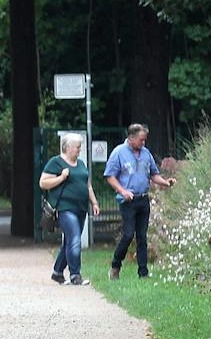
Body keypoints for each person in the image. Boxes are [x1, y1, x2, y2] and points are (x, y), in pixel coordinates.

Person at [104, 122, 175, 280]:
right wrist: (123, 191)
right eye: (141, 139)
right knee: (128, 235)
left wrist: (165, 182)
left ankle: (143, 272)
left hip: (143, 199)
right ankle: (115, 265)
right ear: (131, 138)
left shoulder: (146, 153)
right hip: (128, 201)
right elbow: (110, 176)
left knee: (142, 236)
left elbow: (153, 174)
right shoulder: (118, 153)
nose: (143, 142)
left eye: (144, 139)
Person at [40, 132, 100, 285]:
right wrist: (61, 177)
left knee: (69, 241)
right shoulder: (56, 162)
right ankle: (75, 275)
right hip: (65, 208)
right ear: (67, 147)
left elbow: (87, 185)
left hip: (81, 208)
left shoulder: (81, 164)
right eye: (77, 147)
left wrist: (94, 202)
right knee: (74, 239)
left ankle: (57, 272)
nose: (79, 150)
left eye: (80, 147)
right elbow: (43, 183)